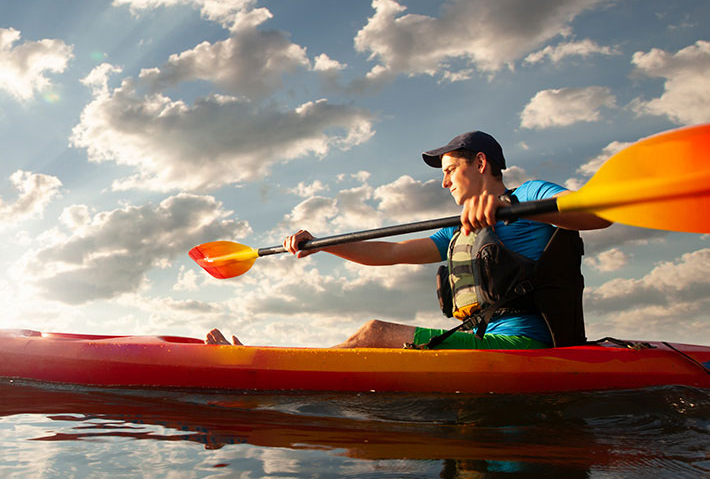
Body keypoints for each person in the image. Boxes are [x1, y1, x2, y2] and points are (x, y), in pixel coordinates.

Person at [206, 131, 611, 348]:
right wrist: (323, 243)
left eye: (450, 170)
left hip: (525, 345)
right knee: (374, 334)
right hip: (477, 340)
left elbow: (597, 214)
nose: (444, 181)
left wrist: (504, 205)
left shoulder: (531, 196)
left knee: (375, 334)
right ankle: (274, 361)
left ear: (481, 163)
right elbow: (390, 252)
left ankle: (268, 370)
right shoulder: (460, 228)